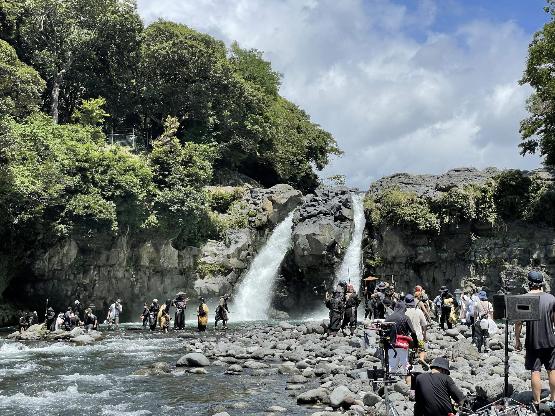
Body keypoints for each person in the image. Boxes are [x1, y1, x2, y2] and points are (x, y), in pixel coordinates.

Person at [515, 270, 555, 410]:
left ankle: (537, 403)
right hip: (550, 340)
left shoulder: (524, 299)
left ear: (529, 283)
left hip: (533, 341)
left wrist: (517, 340)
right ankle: (553, 399)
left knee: (535, 371)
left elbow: (519, 322)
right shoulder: (551, 298)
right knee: (552, 369)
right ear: (541, 283)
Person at [385, 300, 418, 385]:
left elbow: (384, 330)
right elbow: (413, 332)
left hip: (391, 344)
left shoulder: (389, 317)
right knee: (406, 364)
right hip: (402, 343)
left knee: (392, 365)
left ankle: (388, 385)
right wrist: (416, 343)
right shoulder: (405, 317)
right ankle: (410, 385)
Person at [405, 294, 428, 367]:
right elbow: (424, 325)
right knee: (422, 349)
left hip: (407, 338)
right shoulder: (419, 311)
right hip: (418, 337)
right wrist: (424, 336)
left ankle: (409, 360)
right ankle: (421, 358)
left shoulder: (404, 312)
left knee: (409, 348)